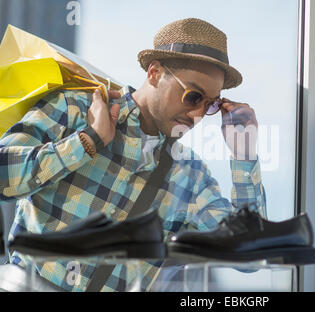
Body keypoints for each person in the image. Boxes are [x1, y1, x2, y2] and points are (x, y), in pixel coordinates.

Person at [0, 18, 266, 291]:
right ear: (154, 73)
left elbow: (250, 255)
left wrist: (244, 155)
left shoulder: (190, 176)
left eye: (210, 106)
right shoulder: (75, 109)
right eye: (193, 96)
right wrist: (87, 142)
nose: (198, 115)